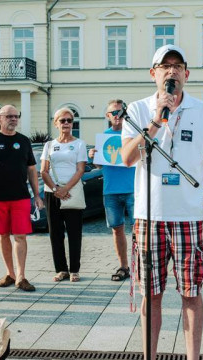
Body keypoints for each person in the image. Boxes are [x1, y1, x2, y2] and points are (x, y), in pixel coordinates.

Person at [120, 44, 203, 360]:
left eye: (177, 65)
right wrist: (155, 120)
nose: (171, 71)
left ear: (186, 74)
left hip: (190, 219)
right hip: (148, 218)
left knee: (191, 294)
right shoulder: (137, 110)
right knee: (151, 296)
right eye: (164, 66)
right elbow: (127, 158)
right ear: (153, 74)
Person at [0, 105, 43, 292]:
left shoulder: (23, 141)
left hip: (20, 196)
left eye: (16, 116)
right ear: (0, 119)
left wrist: (36, 195)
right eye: (9, 116)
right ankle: (10, 273)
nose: (13, 119)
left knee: (20, 236)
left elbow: (31, 169)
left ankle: (21, 276)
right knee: (3, 235)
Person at [88, 99, 135, 282]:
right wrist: (93, 156)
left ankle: (140, 265)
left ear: (125, 113)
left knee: (138, 230)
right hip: (111, 190)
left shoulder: (133, 134)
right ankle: (124, 266)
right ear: (107, 116)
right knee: (117, 230)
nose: (117, 116)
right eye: (112, 113)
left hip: (132, 189)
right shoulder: (104, 136)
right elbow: (99, 165)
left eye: (119, 112)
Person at [40, 108, 87, 283]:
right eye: (63, 121)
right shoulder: (49, 145)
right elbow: (43, 171)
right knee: (55, 233)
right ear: (56, 123)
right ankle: (61, 269)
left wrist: (65, 188)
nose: (66, 124)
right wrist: (55, 189)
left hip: (72, 191)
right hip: (52, 192)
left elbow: (80, 169)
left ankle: (74, 269)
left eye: (69, 120)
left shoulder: (79, 144)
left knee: (74, 232)